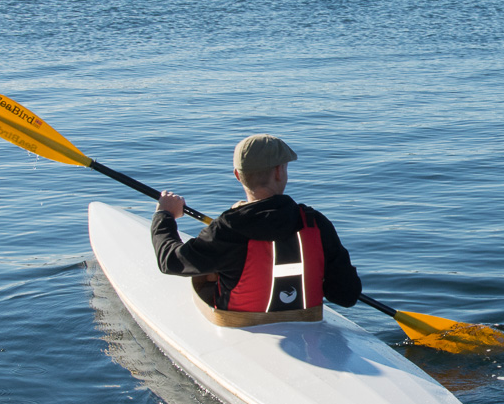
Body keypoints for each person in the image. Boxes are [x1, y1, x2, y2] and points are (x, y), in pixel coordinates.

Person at [151, 134, 361, 321]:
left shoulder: (225, 230)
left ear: (237, 175)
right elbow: (346, 295)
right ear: (279, 172)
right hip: (306, 322)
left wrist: (164, 215)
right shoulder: (316, 223)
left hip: (240, 325)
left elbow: (170, 261)